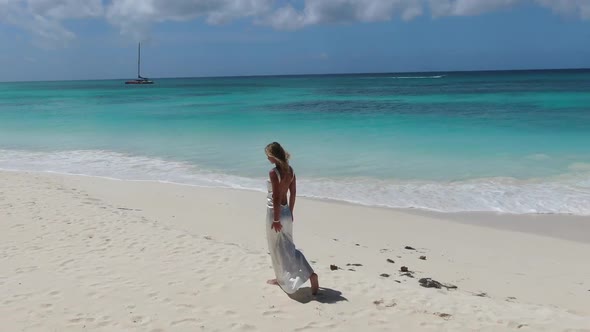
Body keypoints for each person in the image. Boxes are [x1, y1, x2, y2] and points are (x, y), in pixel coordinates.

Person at [264, 142, 319, 295]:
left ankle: (298, 276)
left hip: (275, 214)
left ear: (273, 155)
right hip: (287, 212)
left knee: (276, 248)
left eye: (268, 155)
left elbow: (275, 197)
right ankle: (306, 275)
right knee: (288, 247)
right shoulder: (291, 171)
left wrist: (276, 219)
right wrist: (290, 212)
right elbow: (293, 194)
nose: (267, 158)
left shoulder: (274, 173)